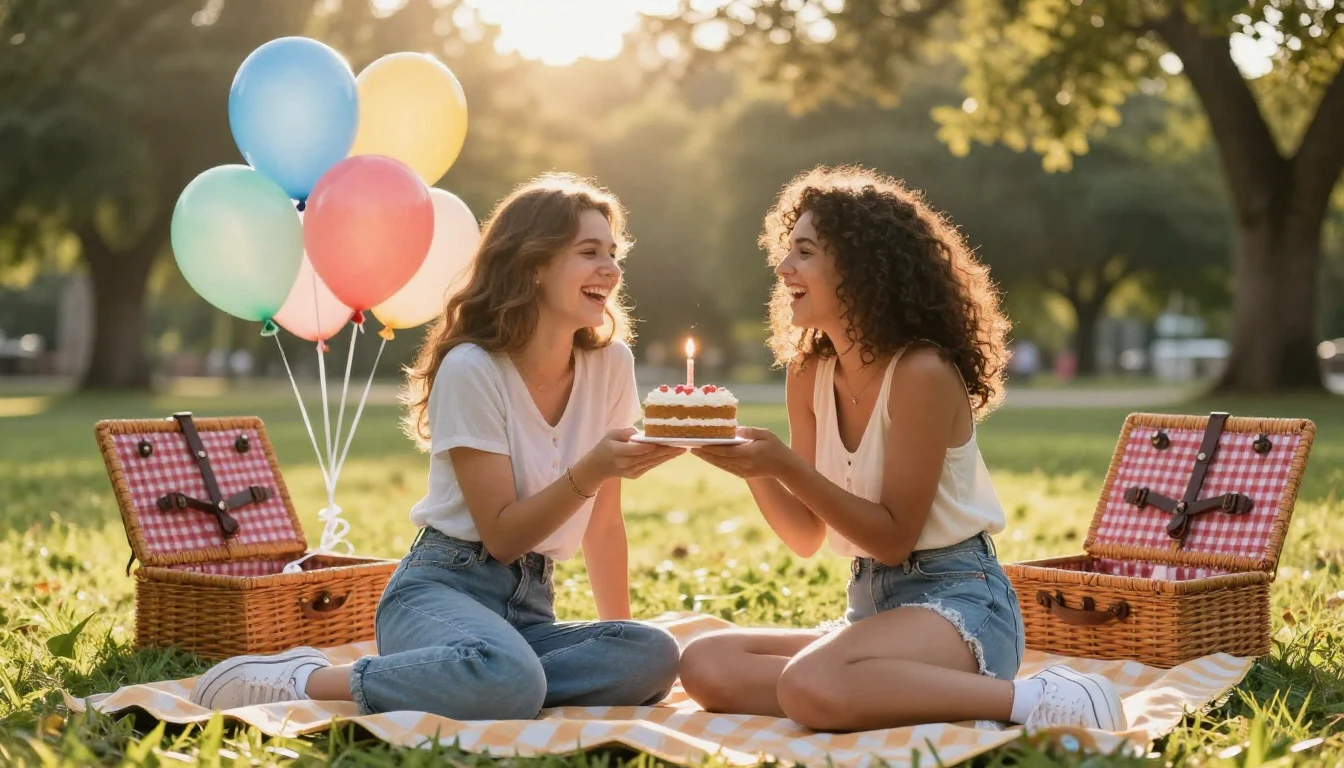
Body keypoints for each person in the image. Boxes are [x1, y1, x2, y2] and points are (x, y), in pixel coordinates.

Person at [190, 174, 685, 719]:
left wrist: (615, 635)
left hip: (530, 607)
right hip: (439, 589)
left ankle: (486, 676)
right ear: (533, 264)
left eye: (613, 254)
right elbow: (500, 537)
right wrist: (589, 470)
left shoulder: (611, 365)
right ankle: (304, 678)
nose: (610, 269)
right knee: (510, 679)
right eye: (589, 252)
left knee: (653, 654)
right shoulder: (472, 367)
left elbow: (605, 524)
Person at [680, 166, 1126, 733]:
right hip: (872, 606)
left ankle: (1033, 699)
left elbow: (893, 539)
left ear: (860, 268)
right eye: (786, 251)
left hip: (962, 599)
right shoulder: (808, 373)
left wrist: (783, 464)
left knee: (807, 684)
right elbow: (805, 534)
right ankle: (860, 685)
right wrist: (751, 468)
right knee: (705, 663)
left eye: (805, 252)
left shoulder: (921, 373)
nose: (783, 267)